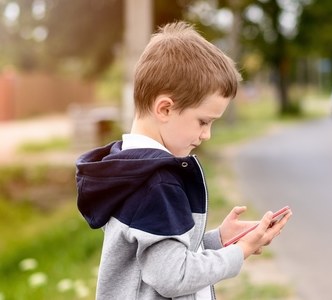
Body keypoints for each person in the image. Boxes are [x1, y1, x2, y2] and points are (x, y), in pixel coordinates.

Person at [75, 21, 291, 300]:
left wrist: (219, 241)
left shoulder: (131, 168)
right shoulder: (155, 182)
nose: (207, 134)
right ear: (165, 108)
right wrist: (240, 251)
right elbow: (173, 277)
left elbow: (161, 256)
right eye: (203, 121)